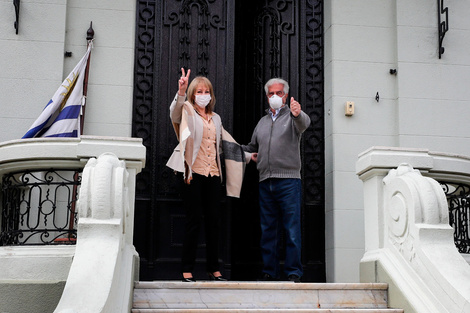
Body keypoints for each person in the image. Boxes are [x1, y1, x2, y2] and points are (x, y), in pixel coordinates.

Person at [166, 68, 243, 282]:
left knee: (214, 222)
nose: (203, 94)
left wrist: (247, 155)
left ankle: (213, 268)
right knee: (193, 220)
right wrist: (181, 91)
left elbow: (227, 143)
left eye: (206, 91)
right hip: (192, 173)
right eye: (199, 91)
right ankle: (187, 268)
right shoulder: (187, 110)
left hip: (212, 174)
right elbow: (173, 113)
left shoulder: (216, 118)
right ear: (193, 94)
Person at [242, 78, 311, 282]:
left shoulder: (293, 116)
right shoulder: (262, 123)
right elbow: (251, 147)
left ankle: (293, 272)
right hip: (265, 181)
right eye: (271, 93)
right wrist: (231, 149)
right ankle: (269, 271)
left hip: (289, 182)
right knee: (268, 230)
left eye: (278, 93)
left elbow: (304, 123)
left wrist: (298, 114)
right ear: (267, 96)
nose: (274, 97)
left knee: (291, 230)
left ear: (286, 96)